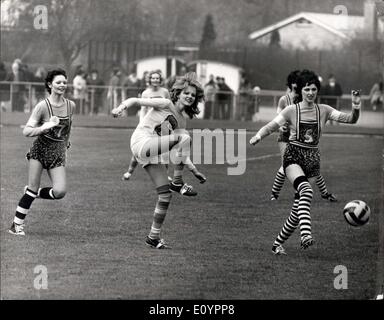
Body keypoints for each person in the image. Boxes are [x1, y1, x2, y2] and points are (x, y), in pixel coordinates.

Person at [249, 69, 361, 255]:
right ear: (301, 90)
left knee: (297, 209)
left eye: (314, 89)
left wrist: (356, 104)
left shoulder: (324, 110)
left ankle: (277, 244)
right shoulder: (291, 110)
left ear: (317, 91)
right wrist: (258, 136)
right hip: (293, 156)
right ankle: (305, 235)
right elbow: (271, 126)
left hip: (313, 160)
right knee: (306, 191)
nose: (310, 93)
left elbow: (351, 119)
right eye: (307, 89)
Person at [112, 72, 205, 248]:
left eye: (193, 95)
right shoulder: (166, 103)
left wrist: (194, 170)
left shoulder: (182, 121)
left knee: (165, 195)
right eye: (186, 93)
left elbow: (180, 151)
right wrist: (120, 108)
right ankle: (177, 182)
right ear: (178, 93)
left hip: (151, 151)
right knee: (184, 137)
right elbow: (135, 100)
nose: (190, 96)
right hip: (141, 142)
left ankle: (153, 237)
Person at [8, 68, 75, 235]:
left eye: (64, 82)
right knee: (31, 187)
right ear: (49, 84)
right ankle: (16, 226)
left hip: (57, 153)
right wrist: (44, 127)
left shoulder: (70, 105)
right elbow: (27, 131)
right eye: (58, 82)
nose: (62, 85)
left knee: (60, 192)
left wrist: (65, 146)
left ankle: (35, 193)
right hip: (40, 150)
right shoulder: (42, 106)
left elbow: (68, 128)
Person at [270, 70, 336, 202]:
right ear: (291, 83)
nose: (296, 84)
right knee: (286, 165)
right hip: (286, 136)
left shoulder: (305, 95)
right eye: (294, 81)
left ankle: (320, 193)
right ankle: (274, 194)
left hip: (303, 137)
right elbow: (279, 118)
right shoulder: (285, 99)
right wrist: (283, 125)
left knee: (312, 166)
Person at [122, 70, 171, 181]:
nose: (155, 80)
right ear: (149, 80)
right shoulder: (145, 93)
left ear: (160, 80)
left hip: (162, 124)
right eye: (153, 78)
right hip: (149, 125)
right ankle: (129, 172)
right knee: (139, 149)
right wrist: (142, 123)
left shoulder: (165, 92)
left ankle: (166, 174)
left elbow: (168, 106)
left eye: (157, 78)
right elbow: (143, 110)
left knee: (164, 151)